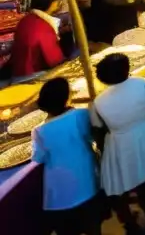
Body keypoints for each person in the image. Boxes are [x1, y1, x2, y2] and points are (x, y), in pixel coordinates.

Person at [91, 53, 145, 232]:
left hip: (120, 143)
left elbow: (97, 128)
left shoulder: (98, 102)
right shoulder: (140, 83)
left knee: (117, 184)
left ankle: (129, 222)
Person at [32, 77, 103, 235]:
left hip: (60, 191)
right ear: (66, 97)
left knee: (67, 229)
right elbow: (91, 136)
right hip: (86, 180)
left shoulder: (39, 131)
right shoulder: (80, 115)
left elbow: (38, 158)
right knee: (92, 223)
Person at [10, 0, 66, 79]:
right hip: (31, 76)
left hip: (18, 71)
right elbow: (56, 61)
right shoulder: (43, 29)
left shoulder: (27, 20)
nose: (60, 2)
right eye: (58, 0)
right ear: (51, 3)